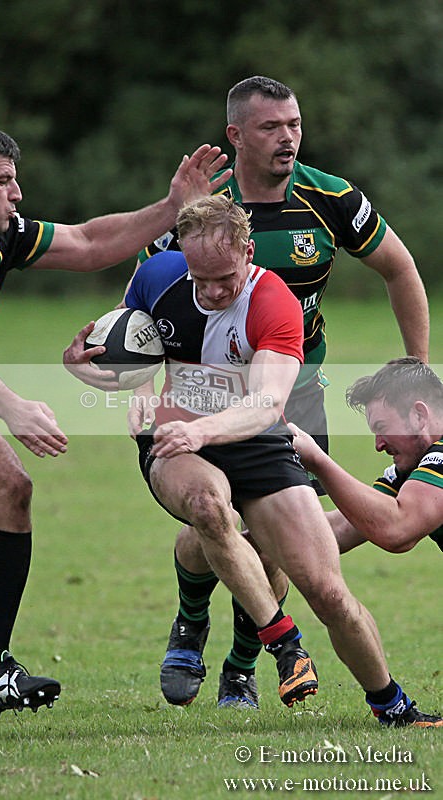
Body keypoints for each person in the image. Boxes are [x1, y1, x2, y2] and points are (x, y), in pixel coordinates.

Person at [65, 194, 440, 727]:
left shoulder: (276, 302)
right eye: (200, 279)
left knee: (328, 590)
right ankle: (281, 643)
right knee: (208, 506)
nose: (212, 292)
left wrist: (204, 429)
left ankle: (392, 704)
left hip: (253, 439)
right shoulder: (157, 275)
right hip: (175, 439)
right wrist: (88, 368)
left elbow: (267, 403)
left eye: (224, 278)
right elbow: (130, 346)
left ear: (247, 250)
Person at [124, 75, 430, 709]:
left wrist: (417, 371)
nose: (288, 137)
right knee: (214, 516)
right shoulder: (202, 214)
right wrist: (142, 390)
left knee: (273, 546)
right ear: (236, 135)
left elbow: (400, 267)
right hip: (202, 401)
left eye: (294, 124)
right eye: (271, 127)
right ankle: (195, 620)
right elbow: (147, 316)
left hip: (294, 394)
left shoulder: (330, 198)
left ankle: (241, 665)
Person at [0, 119, 231, 718]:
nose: (17, 194)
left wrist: (171, 207)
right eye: (4, 181)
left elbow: (87, 244)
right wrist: (12, 407)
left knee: (7, 486)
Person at [289, 358, 443, 556]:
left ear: (419, 416)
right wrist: (251, 540)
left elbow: (398, 531)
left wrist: (318, 461)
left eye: (382, 428)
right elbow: (339, 530)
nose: (378, 445)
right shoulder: (411, 468)